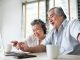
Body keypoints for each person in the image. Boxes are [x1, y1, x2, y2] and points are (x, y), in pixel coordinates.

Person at [12, 7, 80, 55]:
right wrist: (28, 49)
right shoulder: (52, 32)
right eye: (48, 18)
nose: (49, 20)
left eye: (52, 16)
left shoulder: (72, 23)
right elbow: (42, 47)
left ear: (61, 15)